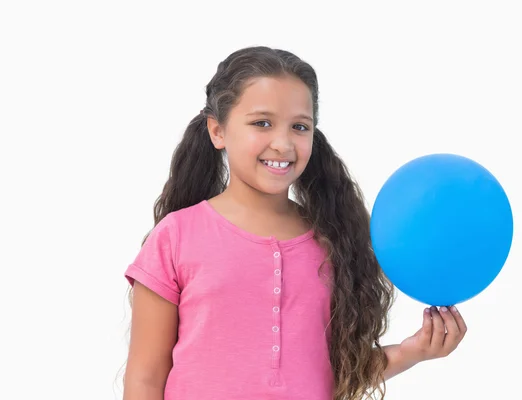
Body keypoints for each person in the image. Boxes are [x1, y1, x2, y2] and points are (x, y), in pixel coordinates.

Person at [122, 46, 467, 400]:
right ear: (217, 131)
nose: (283, 143)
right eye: (262, 123)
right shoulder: (175, 237)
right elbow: (145, 380)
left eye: (299, 127)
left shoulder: (334, 241)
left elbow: (335, 375)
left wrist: (414, 351)